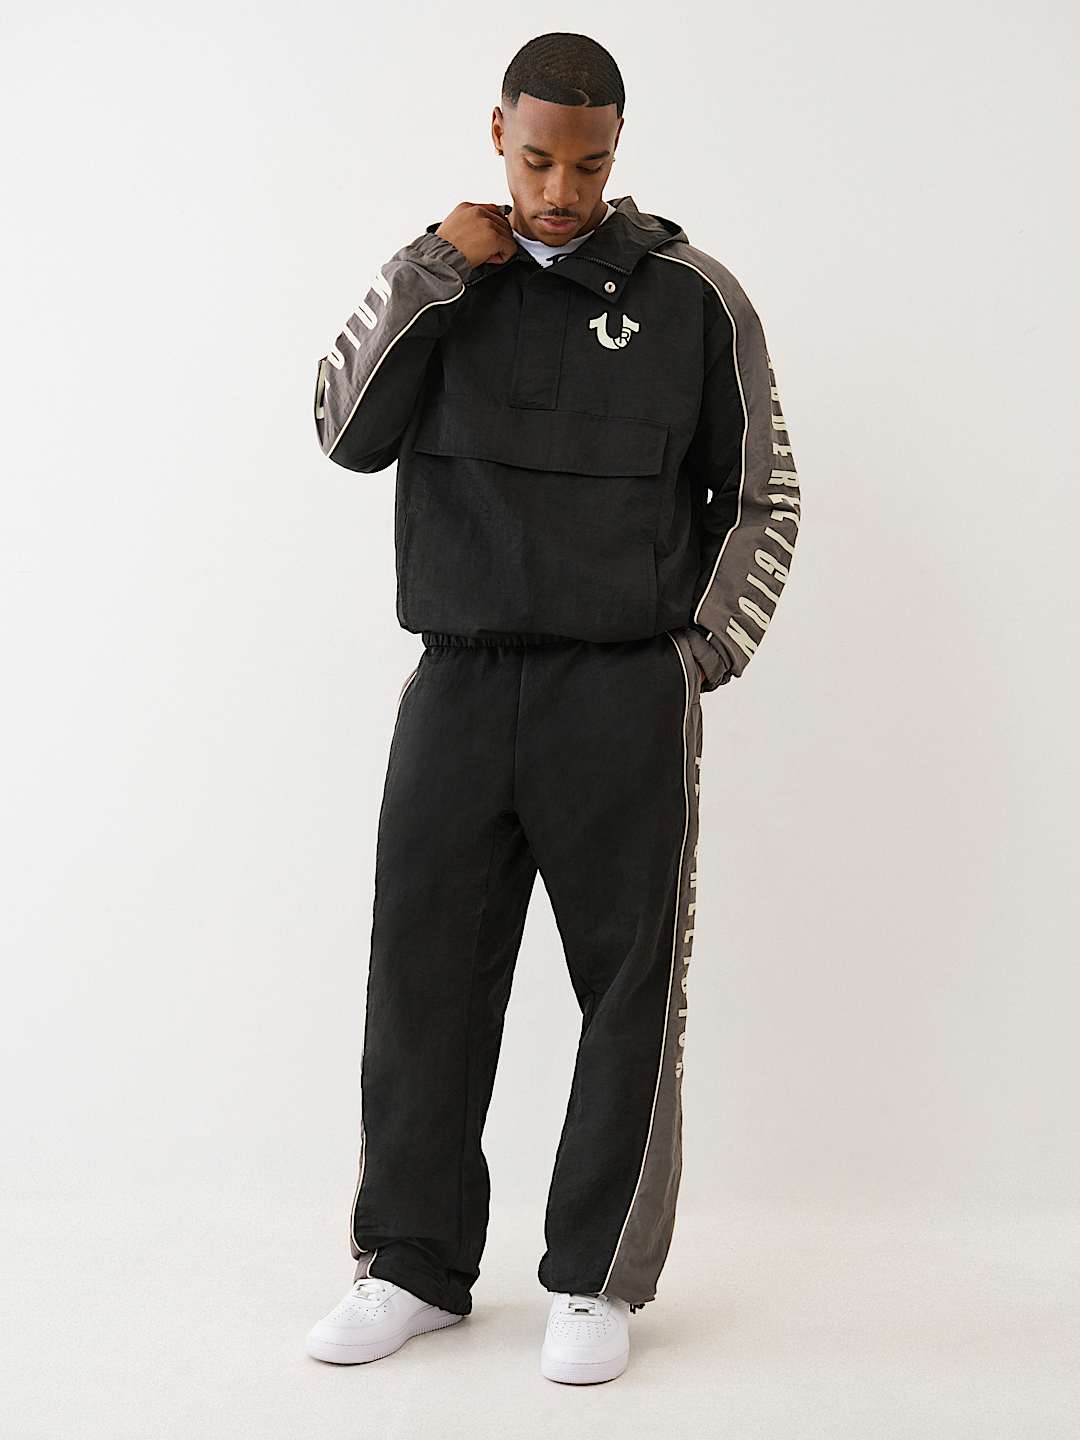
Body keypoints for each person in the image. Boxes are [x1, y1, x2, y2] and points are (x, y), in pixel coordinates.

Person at [304, 31, 801, 1384]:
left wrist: (697, 656)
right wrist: (430, 268)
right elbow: (342, 430)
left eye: (587, 163)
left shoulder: (694, 299)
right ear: (497, 136)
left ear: (617, 148)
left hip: (621, 689)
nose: (560, 189)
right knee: (421, 976)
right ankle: (411, 1265)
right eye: (536, 160)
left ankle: (595, 1279)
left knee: (629, 991)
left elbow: (760, 494)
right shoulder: (442, 277)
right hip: (459, 678)